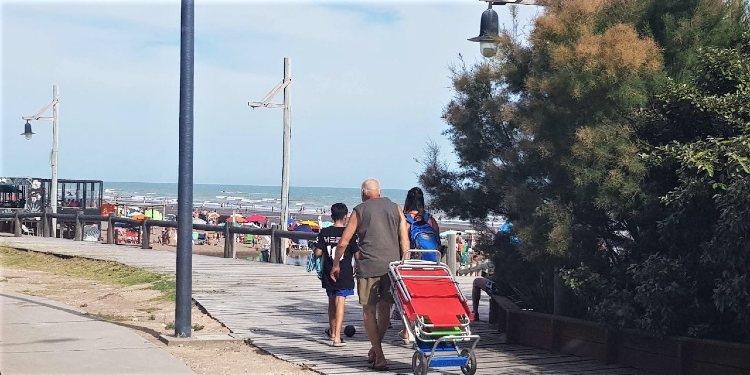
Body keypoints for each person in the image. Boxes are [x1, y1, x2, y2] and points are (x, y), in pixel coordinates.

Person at [331, 178, 410, 371]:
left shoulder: (360, 210)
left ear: (363, 193)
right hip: (392, 267)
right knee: (385, 310)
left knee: (368, 310)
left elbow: (344, 241)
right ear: (380, 192)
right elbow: (404, 238)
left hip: (368, 267)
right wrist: (405, 263)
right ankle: (375, 350)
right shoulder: (396, 208)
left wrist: (336, 263)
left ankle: (380, 355)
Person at [315, 203, 358, 347]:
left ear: (332, 217)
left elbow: (318, 253)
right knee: (340, 301)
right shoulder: (349, 233)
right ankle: (337, 338)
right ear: (346, 217)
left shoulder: (325, 232)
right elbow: (357, 255)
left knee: (331, 301)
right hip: (344, 271)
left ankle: (333, 332)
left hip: (328, 271)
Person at [402, 187, 441, 262]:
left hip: (413, 263)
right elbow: (438, 241)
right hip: (433, 263)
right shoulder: (431, 220)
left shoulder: (406, 219)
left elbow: (403, 242)